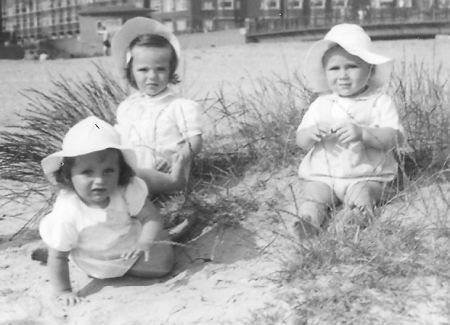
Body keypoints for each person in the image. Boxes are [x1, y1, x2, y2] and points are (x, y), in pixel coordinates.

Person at [39, 116, 181, 306]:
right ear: (67, 175)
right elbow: (58, 257)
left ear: (120, 171)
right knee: (162, 264)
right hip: (95, 259)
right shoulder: (68, 211)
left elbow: (151, 217)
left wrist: (143, 243)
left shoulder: (124, 189)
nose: (99, 180)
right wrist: (64, 291)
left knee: (153, 236)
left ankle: (166, 237)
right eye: (87, 172)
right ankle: (59, 247)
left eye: (108, 171)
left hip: (126, 241)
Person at [294, 24, 404, 239]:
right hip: (324, 175)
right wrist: (311, 134)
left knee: (363, 192)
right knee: (314, 194)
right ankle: (309, 219)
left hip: (365, 174)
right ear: (325, 73)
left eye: (351, 67)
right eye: (334, 69)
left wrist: (363, 133)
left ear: (370, 70)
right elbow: (301, 140)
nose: (343, 75)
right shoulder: (321, 103)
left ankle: (356, 216)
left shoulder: (379, 102)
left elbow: (395, 137)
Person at [111, 17, 203, 198]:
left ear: (171, 70)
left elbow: (195, 141)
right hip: (135, 174)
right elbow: (118, 140)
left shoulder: (179, 106)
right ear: (130, 71)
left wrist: (182, 157)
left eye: (160, 69)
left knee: (133, 183)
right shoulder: (127, 107)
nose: (152, 76)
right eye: (143, 70)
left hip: (168, 175)